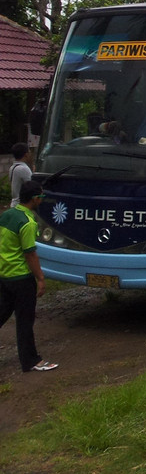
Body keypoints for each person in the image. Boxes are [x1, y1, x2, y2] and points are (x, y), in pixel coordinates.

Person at [0, 181, 58, 372]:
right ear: (34, 199)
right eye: (41, 197)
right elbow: (30, 254)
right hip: (21, 279)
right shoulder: (28, 222)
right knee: (25, 322)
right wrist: (40, 278)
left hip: (4, 275)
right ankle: (31, 360)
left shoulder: (7, 215)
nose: (41, 201)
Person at [8, 143, 32, 208]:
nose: (30, 154)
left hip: (14, 203)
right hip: (21, 205)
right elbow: (32, 186)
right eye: (29, 152)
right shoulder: (23, 169)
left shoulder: (12, 167)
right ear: (26, 155)